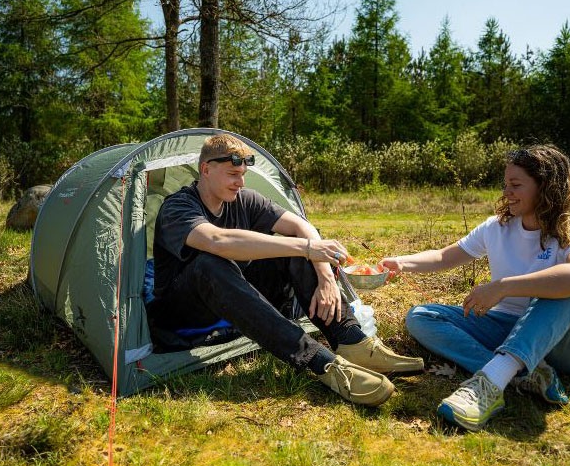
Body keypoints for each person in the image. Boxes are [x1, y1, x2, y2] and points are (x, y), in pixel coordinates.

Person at [148, 134, 424, 407]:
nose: (240, 182)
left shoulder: (243, 199)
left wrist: (326, 276)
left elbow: (302, 227)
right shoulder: (178, 206)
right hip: (182, 311)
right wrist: (305, 247)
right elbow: (218, 241)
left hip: (232, 295)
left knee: (294, 250)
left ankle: (352, 341)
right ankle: (320, 363)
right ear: (206, 169)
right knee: (211, 262)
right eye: (233, 174)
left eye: (243, 174)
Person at [380, 145, 570, 431]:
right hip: (508, 326)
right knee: (421, 316)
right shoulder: (497, 228)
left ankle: (491, 381)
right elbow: (443, 256)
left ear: (545, 186)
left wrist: (503, 287)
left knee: (565, 284)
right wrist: (400, 262)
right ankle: (522, 374)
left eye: (516, 185)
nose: (506, 192)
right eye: (505, 184)